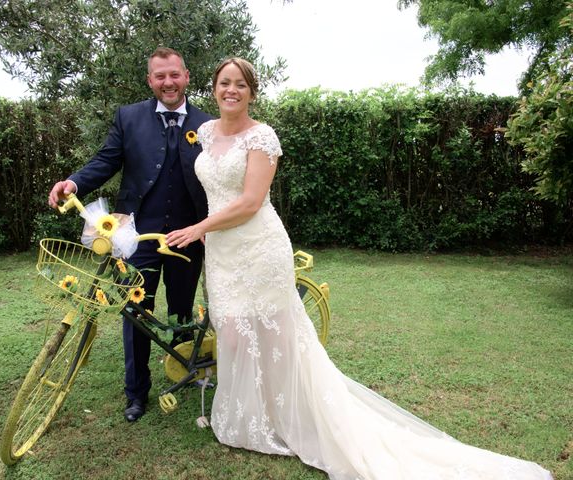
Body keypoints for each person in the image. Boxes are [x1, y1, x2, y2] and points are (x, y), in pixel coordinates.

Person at [165, 58, 553, 480]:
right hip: (222, 250)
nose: (231, 90)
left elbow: (250, 201)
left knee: (278, 338)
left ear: (252, 92)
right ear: (214, 88)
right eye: (225, 83)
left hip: (257, 247)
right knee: (236, 333)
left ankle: (288, 419)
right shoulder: (204, 132)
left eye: (240, 84)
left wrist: (200, 226)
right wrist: (207, 229)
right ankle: (246, 418)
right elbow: (217, 191)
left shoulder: (262, 137)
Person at [48, 47, 212, 423]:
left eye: (174, 74)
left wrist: (211, 224)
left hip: (188, 236)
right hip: (136, 235)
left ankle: (181, 369)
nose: (167, 82)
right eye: (160, 76)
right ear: (150, 80)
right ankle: (136, 392)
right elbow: (105, 161)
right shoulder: (129, 117)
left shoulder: (208, 125)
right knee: (136, 311)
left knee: (183, 309)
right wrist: (74, 182)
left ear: (186, 76)